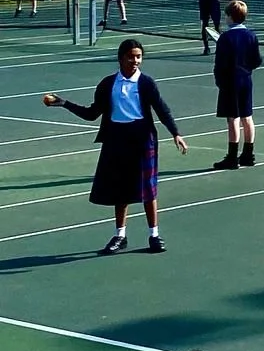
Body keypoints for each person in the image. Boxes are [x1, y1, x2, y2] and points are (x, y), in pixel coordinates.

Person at [42, 37, 187, 253]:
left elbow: (161, 109)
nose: (135, 61)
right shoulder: (108, 84)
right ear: (121, 58)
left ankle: (154, 235)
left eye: (139, 57)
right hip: (116, 138)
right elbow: (92, 114)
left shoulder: (146, 83)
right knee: (121, 190)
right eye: (131, 57)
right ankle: (120, 236)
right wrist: (64, 103)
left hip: (142, 137)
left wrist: (176, 133)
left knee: (148, 189)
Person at [211, 0, 262, 169]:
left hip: (230, 82)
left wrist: (219, 80)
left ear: (230, 17)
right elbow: (257, 60)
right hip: (246, 80)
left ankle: (232, 158)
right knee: (247, 117)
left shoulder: (225, 38)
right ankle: (248, 155)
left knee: (232, 118)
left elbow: (220, 63)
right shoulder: (251, 36)